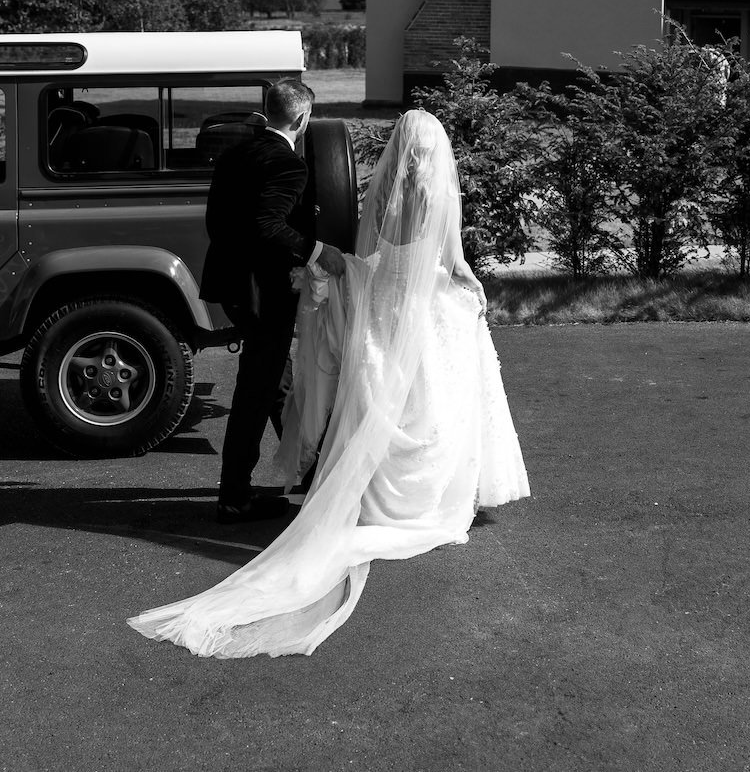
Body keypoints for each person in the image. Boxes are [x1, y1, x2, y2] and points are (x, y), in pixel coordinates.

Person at [128, 111, 529, 657]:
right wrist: (473, 287)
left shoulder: (375, 190)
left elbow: (368, 251)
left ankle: (302, 483)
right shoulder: (435, 193)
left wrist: (342, 270)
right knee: (431, 391)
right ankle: (402, 496)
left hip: (378, 293)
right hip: (390, 298)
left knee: (380, 391)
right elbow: (452, 260)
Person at [198, 78, 345, 525]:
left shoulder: (235, 153)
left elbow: (217, 222)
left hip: (235, 287)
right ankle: (234, 497)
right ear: (302, 118)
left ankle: (308, 470)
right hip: (262, 291)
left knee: (274, 380)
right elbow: (266, 225)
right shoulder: (288, 165)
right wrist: (320, 252)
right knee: (255, 392)